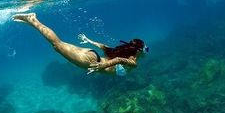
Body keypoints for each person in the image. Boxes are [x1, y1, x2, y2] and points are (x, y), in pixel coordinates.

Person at [12, 13, 149, 75]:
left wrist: (89, 41)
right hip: (90, 61)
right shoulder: (133, 62)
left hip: (91, 55)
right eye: (145, 50)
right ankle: (33, 20)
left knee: (59, 44)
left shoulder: (122, 52)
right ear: (138, 50)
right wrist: (103, 66)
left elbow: (104, 47)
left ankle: (33, 24)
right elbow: (119, 60)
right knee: (57, 45)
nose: (145, 53)